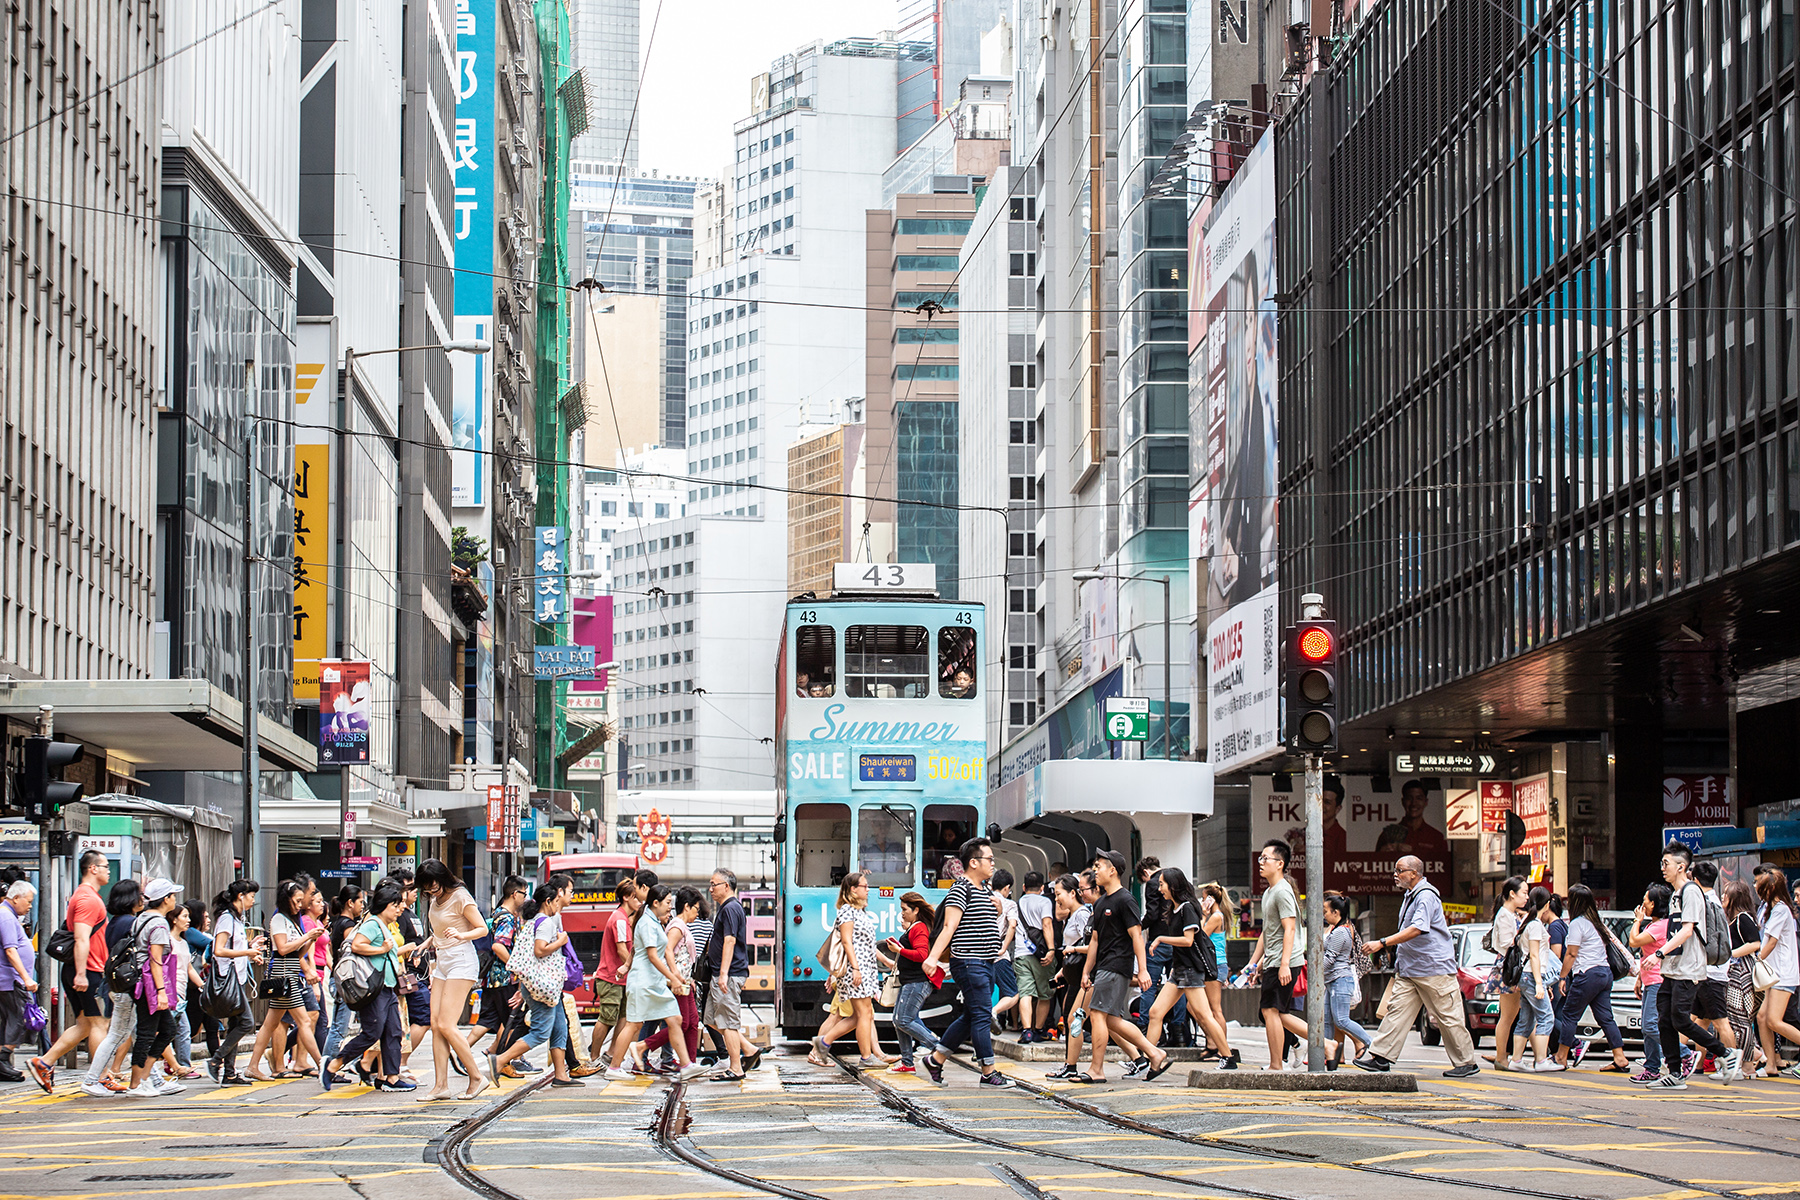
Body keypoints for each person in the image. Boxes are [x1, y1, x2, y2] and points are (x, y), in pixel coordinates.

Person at [1354, 855, 1480, 1077]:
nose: (1395, 874)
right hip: (1411, 969)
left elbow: (1417, 929)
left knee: (1449, 1017)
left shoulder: (1425, 896)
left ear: (1414, 873)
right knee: (1397, 1012)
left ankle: (1466, 1062)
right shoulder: (1410, 896)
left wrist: (1382, 943)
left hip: (1433, 969)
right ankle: (1381, 1057)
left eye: (1399, 870)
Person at [1642, 841, 1739, 1089]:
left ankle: (1725, 1053)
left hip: (1688, 968)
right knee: (1664, 1020)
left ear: (1681, 866)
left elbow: (1687, 931)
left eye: (1666, 864)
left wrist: (1659, 954)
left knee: (1681, 1020)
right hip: (1672, 968)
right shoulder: (1675, 894)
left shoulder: (1691, 892)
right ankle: (1675, 1073)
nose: (1663, 868)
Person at [921, 838, 1012, 1088]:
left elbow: (982, 923)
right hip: (969, 962)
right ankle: (988, 1071)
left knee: (972, 1016)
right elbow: (950, 926)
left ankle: (936, 1059)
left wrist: (997, 910)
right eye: (989, 859)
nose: (993, 864)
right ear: (973, 862)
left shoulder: (984, 890)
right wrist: (932, 958)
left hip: (985, 963)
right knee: (982, 1015)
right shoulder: (961, 889)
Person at [1086, 850, 1172, 1083]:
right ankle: (1154, 1053)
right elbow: (1094, 940)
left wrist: (1143, 970)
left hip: (1116, 966)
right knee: (1112, 1020)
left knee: (1097, 1014)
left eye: (1099, 866)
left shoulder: (1125, 900)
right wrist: (1086, 971)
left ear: (1112, 870)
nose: (1095, 870)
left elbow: (1137, 936)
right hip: (1103, 966)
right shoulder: (1101, 902)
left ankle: (1096, 1070)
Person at [30, 850, 112, 1092]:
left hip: (84, 969)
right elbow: (81, 938)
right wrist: (81, 973)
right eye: (105, 866)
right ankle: (98, 1077)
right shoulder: (87, 899)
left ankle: (44, 1062)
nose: (108, 870)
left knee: (85, 1024)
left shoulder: (85, 896)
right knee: (100, 1024)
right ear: (93, 869)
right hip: (87, 969)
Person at [319, 882, 413, 1092]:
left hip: (387, 987)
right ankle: (334, 1064)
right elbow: (357, 945)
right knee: (372, 1032)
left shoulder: (383, 925)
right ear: (384, 905)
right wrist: (381, 948)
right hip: (373, 988)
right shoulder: (372, 924)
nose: (399, 910)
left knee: (393, 1032)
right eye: (395, 906)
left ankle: (391, 1077)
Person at [609, 884, 706, 1080]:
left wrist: (674, 977)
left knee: (676, 1019)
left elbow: (639, 949)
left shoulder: (653, 922)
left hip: (654, 982)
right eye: (668, 902)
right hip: (643, 982)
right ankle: (614, 1067)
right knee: (633, 1025)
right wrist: (673, 977)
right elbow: (653, 956)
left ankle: (686, 1065)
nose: (671, 906)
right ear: (656, 903)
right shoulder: (647, 923)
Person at [412, 859, 490, 1099]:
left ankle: (477, 1077)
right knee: (436, 1025)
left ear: (443, 877)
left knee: (446, 1024)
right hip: (443, 961)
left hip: (461, 961)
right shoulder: (435, 900)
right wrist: (426, 943)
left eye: (434, 886)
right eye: (426, 888)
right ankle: (441, 1086)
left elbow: (483, 929)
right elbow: (440, 932)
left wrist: (461, 934)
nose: (431, 891)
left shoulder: (460, 896)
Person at [492, 884, 581, 1087]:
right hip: (543, 985)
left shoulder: (532, 921)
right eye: (556, 901)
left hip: (542, 984)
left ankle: (561, 1075)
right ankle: (500, 1060)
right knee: (541, 1032)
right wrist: (561, 941)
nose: (558, 906)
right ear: (548, 901)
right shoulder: (546, 922)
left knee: (559, 1027)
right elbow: (540, 950)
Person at [1144, 868, 1233, 1067]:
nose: (1160, 890)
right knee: (1155, 1013)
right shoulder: (1176, 909)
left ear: (1173, 886)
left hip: (1191, 971)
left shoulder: (1186, 908)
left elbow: (1188, 940)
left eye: (1162, 885)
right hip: (1180, 970)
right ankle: (1151, 1061)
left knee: (1205, 1015)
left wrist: (1160, 938)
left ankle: (1227, 1056)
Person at [245, 880, 325, 1082]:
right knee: (304, 1020)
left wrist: (310, 939)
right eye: (297, 901)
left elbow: (298, 953)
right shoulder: (279, 919)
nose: (300, 905)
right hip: (283, 975)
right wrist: (307, 935)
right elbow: (282, 948)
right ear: (287, 899)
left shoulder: (292, 921)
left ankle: (253, 1066)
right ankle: (322, 1065)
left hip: (290, 973)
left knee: (270, 1024)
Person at [1549, 885, 1631, 1071]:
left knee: (1570, 1015)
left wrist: (1562, 977)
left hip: (1588, 974)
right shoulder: (1596, 921)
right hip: (1604, 974)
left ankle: (1561, 1057)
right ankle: (1620, 1058)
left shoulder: (1578, 923)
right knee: (1606, 1018)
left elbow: (1571, 953)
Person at [812, 871, 888, 1067]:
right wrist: (855, 968)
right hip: (856, 970)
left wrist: (886, 962)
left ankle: (824, 1042)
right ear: (853, 889)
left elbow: (867, 945)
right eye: (864, 886)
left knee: (859, 1016)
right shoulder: (847, 911)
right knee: (863, 1014)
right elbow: (846, 941)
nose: (868, 889)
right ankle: (866, 1058)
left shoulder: (859, 912)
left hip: (865, 969)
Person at [79, 878, 147, 1096]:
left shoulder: (116, 922)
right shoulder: (129, 923)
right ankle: (92, 1079)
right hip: (126, 986)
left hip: (118, 984)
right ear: (130, 899)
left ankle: (150, 1078)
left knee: (135, 1032)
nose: (142, 899)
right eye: (139, 895)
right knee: (119, 1033)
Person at [122, 880, 186, 1098]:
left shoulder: (141, 918)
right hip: (149, 985)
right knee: (147, 1033)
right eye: (173, 895)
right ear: (166, 899)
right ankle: (136, 1084)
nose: (175, 899)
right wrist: (160, 992)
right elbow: (155, 961)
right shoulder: (158, 924)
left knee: (167, 1029)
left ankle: (145, 1078)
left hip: (141, 982)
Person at [1248, 839, 1307, 1069]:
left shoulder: (1283, 891)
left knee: (1271, 1011)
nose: (1261, 863)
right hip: (1273, 960)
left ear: (1280, 864)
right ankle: (1325, 1045)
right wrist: (1254, 964)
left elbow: (1290, 928)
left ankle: (1276, 1065)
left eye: (1265, 858)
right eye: (1260, 858)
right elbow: (1267, 933)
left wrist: (1283, 965)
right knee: (1273, 1012)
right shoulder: (1270, 892)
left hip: (1285, 961)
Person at [206, 880, 267, 1085]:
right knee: (247, 1023)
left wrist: (251, 952)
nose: (253, 900)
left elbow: (234, 949)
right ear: (240, 896)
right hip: (228, 979)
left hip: (238, 978)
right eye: (251, 896)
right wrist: (247, 951)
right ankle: (216, 1060)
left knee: (235, 1024)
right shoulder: (226, 919)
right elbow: (219, 950)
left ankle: (230, 1073)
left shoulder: (237, 919)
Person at [701, 870, 760, 1080]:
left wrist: (724, 974)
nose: (711, 889)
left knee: (728, 1022)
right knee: (710, 1018)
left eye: (713, 884)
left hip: (727, 974)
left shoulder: (731, 908)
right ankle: (748, 1049)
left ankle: (736, 1068)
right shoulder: (727, 908)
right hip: (721, 973)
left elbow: (730, 941)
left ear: (726, 886)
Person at [577, 879, 640, 1074]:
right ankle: (594, 1058)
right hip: (612, 978)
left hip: (620, 978)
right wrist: (634, 967)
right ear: (626, 897)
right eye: (636, 897)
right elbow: (622, 950)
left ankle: (611, 1054)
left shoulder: (622, 918)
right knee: (607, 1018)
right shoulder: (620, 919)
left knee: (623, 1017)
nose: (639, 901)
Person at [638, 886, 704, 1071]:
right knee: (681, 1023)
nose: (697, 914)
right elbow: (668, 951)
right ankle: (644, 1045)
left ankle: (690, 1063)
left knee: (692, 1021)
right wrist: (675, 975)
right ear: (687, 907)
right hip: (678, 983)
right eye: (696, 909)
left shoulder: (682, 926)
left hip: (685, 981)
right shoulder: (676, 926)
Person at [882, 892, 943, 1075]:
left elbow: (922, 955)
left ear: (916, 910)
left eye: (904, 909)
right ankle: (907, 1062)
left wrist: (900, 950)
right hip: (909, 981)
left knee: (903, 1020)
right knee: (898, 1020)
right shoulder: (915, 927)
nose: (902, 913)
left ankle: (939, 1048)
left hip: (917, 982)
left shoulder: (919, 928)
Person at [468, 875, 528, 1061]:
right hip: (504, 979)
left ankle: (459, 1052)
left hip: (491, 979)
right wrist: (516, 967)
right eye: (524, 894)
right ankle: (505, 1060)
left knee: (488, 1020)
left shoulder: (497, 914)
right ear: (514, 893)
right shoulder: (507, 919)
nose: (525, 898)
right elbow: (498, 946)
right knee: (515, 1021)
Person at [1045, 873, 1095, 1082]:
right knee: (1087, 1019)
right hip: (1074, 974)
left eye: (1059, 894)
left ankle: (1071, 1065)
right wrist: (1063, 971)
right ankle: (1139, 1057)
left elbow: (1092, 945)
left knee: (1074, 1018)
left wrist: (1073, 950)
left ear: (1073, 893)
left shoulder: (1082, 914)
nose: (1057, 899)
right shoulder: (1072, 916)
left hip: (1084, 976)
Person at [1692, 860, 1740, 1067]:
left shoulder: (1704, 904)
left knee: (1721, 1023)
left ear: (1695, 880)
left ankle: (1734, 1066)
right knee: (1698, 1022)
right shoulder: (1714, 902)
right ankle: (1697, 1063)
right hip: (1713, 970)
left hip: (1710, 972)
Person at [384, 868, 431, 1076]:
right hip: (407, 977)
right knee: (421, 1017)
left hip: (418, 976)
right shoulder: (397, 916)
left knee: (408, 1019)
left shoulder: (411, 913)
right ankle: (399, 1062)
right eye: (409, 887)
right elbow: (395, 946)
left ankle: (395, 1063)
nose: (415, 891)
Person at [1135, 857, 1185, 1047]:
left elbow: (1153, 913)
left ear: (1146, 873)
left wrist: (1138, 926)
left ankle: (1145, 1027)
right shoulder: (1178, 878)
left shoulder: (1153, 882)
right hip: (1178, 940)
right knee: (1178, 987)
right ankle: (1178, 1032)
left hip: (1158, 941)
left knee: (1148, 985)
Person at [1755, 868, 1800, 1079]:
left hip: (1782, 973)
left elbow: (1771, 941)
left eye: (1760, 886)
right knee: (1762, 1017)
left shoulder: (1781, 909)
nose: (1756, 888)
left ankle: (1772, 1063)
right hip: (1773, 973)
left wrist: (1756, 960)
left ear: (1771, 888)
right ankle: (1771, 1064)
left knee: (1773, 1020)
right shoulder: (1769, 908)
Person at [1627, 883, 1673, 1082]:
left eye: (1646, 899)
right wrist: (1639, 978)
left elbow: (1634, 941)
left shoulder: (1660, 926)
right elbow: (1646, 952)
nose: (1642, 903)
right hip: (1649, 980)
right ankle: (1652, 1067)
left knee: (1651, 1025)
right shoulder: (1654, 925)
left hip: (1658, 981)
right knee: (1648, 1027)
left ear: (1653, 904)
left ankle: (1684, 1054)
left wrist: (1637, 921)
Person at [1319, 893, 1370, 1069]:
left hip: (1341, 980)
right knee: (1326, 1020)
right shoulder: (1336, 929)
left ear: (1336, 912)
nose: (1324, 915)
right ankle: (1328, 1054)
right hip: (1332, 981)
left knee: (1341, 1020)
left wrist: (1314, 973)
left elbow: (1330, 958)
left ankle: (1371, 1043)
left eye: (1326, 911)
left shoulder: (1341, 931)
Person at [1722, 879, 1765, 1074]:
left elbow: (1755, 943)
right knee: (1736, 1020)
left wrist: (1731, 953)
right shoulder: (1734, 919)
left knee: (1741, 1021)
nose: (1723, 897)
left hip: (1742, 974)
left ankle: (1747, 1065)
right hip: (1737, 973)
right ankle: (1748, 1061)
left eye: (1725, 894)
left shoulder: (1743, 918)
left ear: (1734, 898)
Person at [0, 881, 39, 1083]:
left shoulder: (8, 915)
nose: (30, 906)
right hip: (10, 979)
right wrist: (26, 978)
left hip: (9, 979)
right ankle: (2, 1060)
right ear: (16, 898)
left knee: (9, 1020)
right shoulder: (6, 917)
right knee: (19, 1019)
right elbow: (10, 950)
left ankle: (3, 1063)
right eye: (29, 901)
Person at [1486, 877, 1527, 1071]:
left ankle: (1507, 1056)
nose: (1526, 897)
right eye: (1524, 893)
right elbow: (1505, 943)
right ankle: (1502, 1057)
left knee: (1513, 1015)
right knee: (1508, 1016)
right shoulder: (1505, 915)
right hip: (1510, 968)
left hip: (1513, 968)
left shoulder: (1511, 914)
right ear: (1512, 894)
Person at [1012, 872, 1057, 1043]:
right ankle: (1038, 1030)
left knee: (1025, 993)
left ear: (1024, 887)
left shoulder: (1019, 902)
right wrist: (1051, 949)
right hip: (1041, 954)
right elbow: (1046, 925)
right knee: (1045, 994)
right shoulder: (1045, 901)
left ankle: (1026, 1031)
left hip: (1022, 953)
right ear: (1042, 888)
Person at [1198, 883, 1231, 1060]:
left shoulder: (1216, 917)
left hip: (1215, 965)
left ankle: (1221, 1049)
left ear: (1211, 900)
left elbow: (1201, 935)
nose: (1202, 901)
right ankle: (1212, 1042)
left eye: (1204, 898)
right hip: (1213, 965)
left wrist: (1203, 915)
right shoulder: (1218, 916)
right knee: (1197, 1007)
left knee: (1215, 1009)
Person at [988, 870, 1022, 1033]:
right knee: (1012, 994)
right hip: (999, 957)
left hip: (980, 956)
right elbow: (1012, 925)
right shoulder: (1009, 904)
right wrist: (1003, 947)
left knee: (983, 997)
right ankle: (993, 1012)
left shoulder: (983, 899)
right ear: (1007, 888)